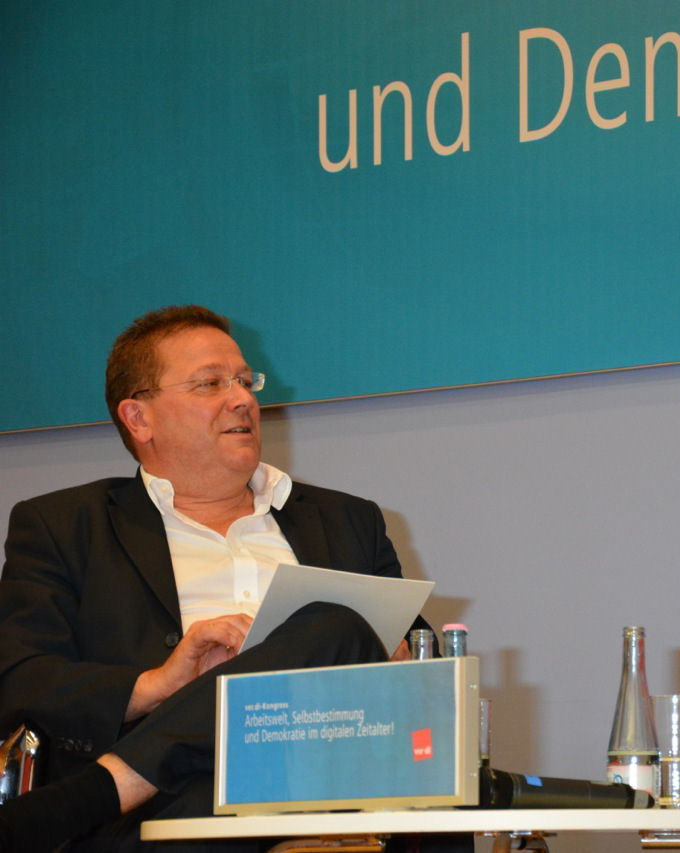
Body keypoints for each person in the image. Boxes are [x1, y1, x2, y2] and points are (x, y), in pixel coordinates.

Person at [0, 306, 460, 852]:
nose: (242, 398)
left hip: (339, 785)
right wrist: (155, 685)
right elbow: (21, 680)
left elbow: (426, 661)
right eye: (210, 383)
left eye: (245, 381)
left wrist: (398, 667)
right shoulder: (66, 526)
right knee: (331, 628)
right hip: (164, 815)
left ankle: (113, 784)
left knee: (335, 626)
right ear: (139, 418)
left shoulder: (347, 521)